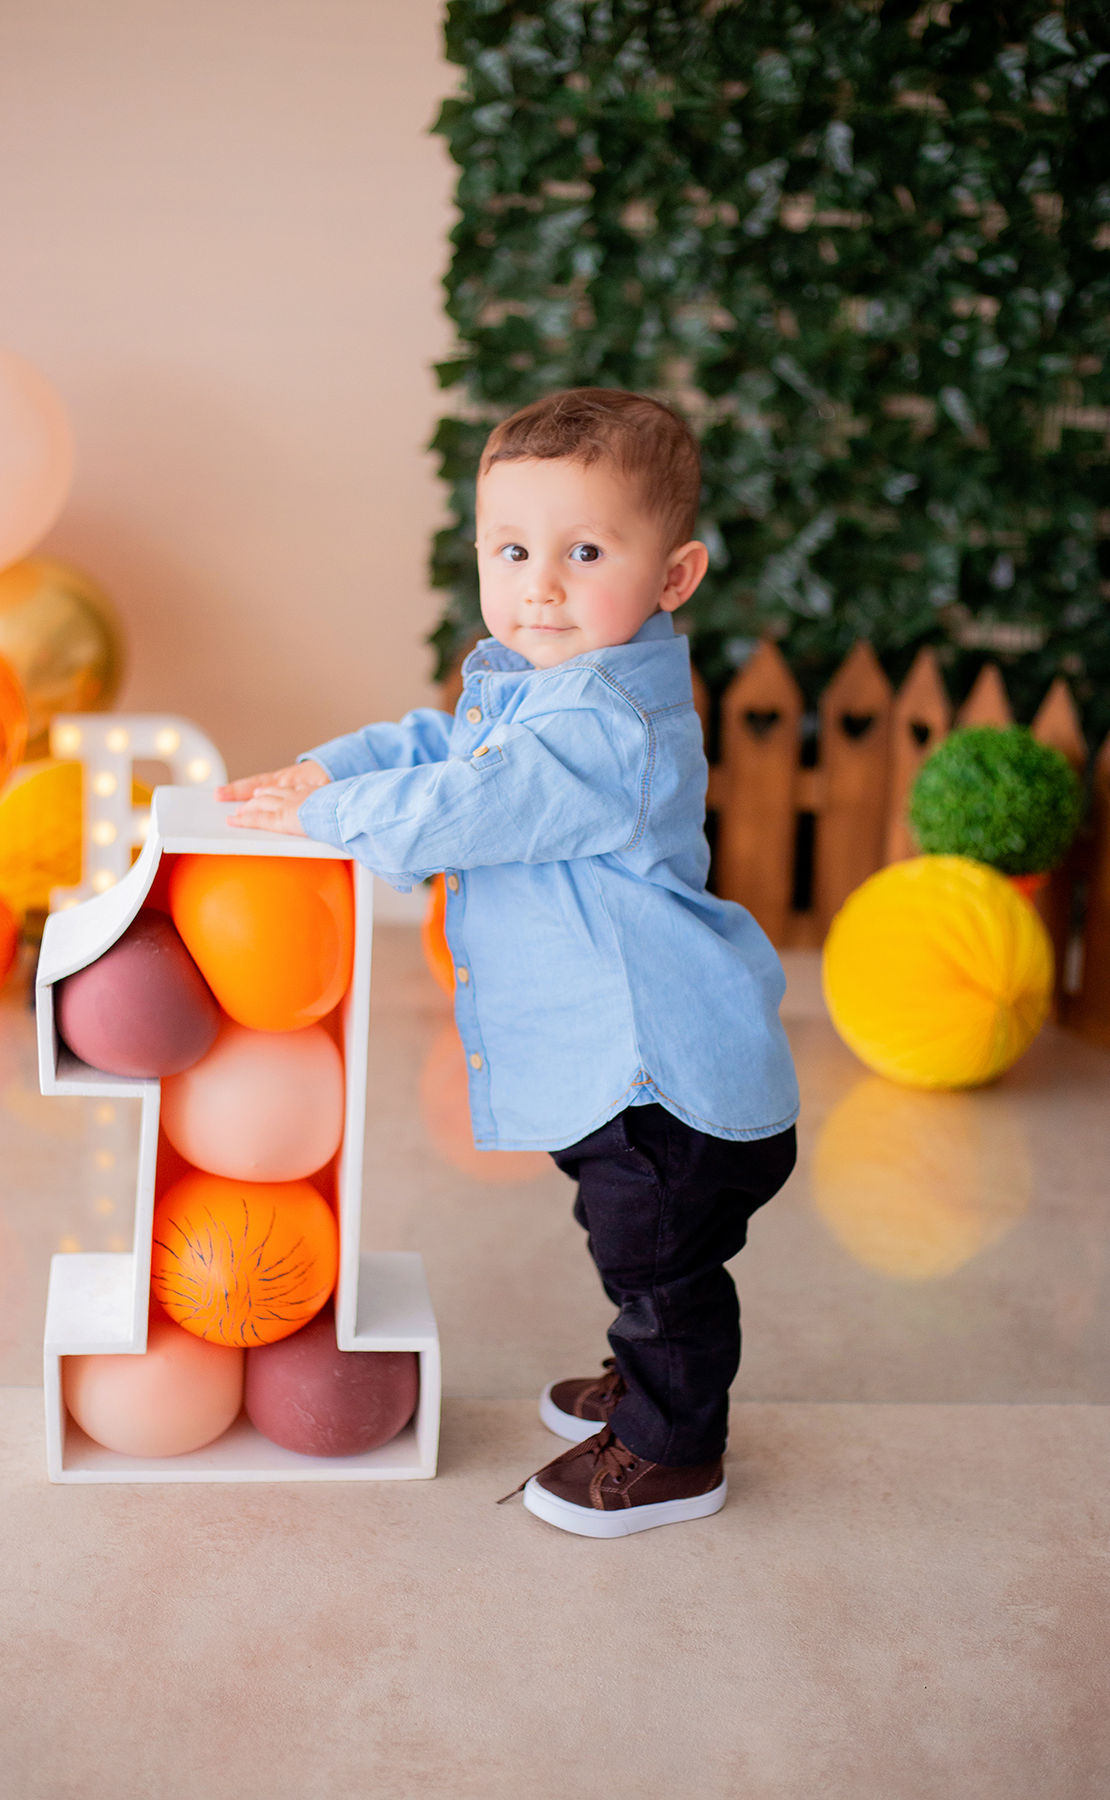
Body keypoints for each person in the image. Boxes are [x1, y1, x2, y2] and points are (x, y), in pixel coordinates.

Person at [220, 388, 798, 1539]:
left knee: (658, 1264)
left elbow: (472, 801)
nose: (541, 583)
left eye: (585, 552)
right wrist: (327, 773)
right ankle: (649, 1375)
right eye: (513, 549)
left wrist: (332, 820)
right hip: (612, 1070)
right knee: (624, 1240)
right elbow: (438, 742)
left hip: (660, 1072)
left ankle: (675, 1446)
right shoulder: (537, 683)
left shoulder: (607, 727)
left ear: (673, 576)